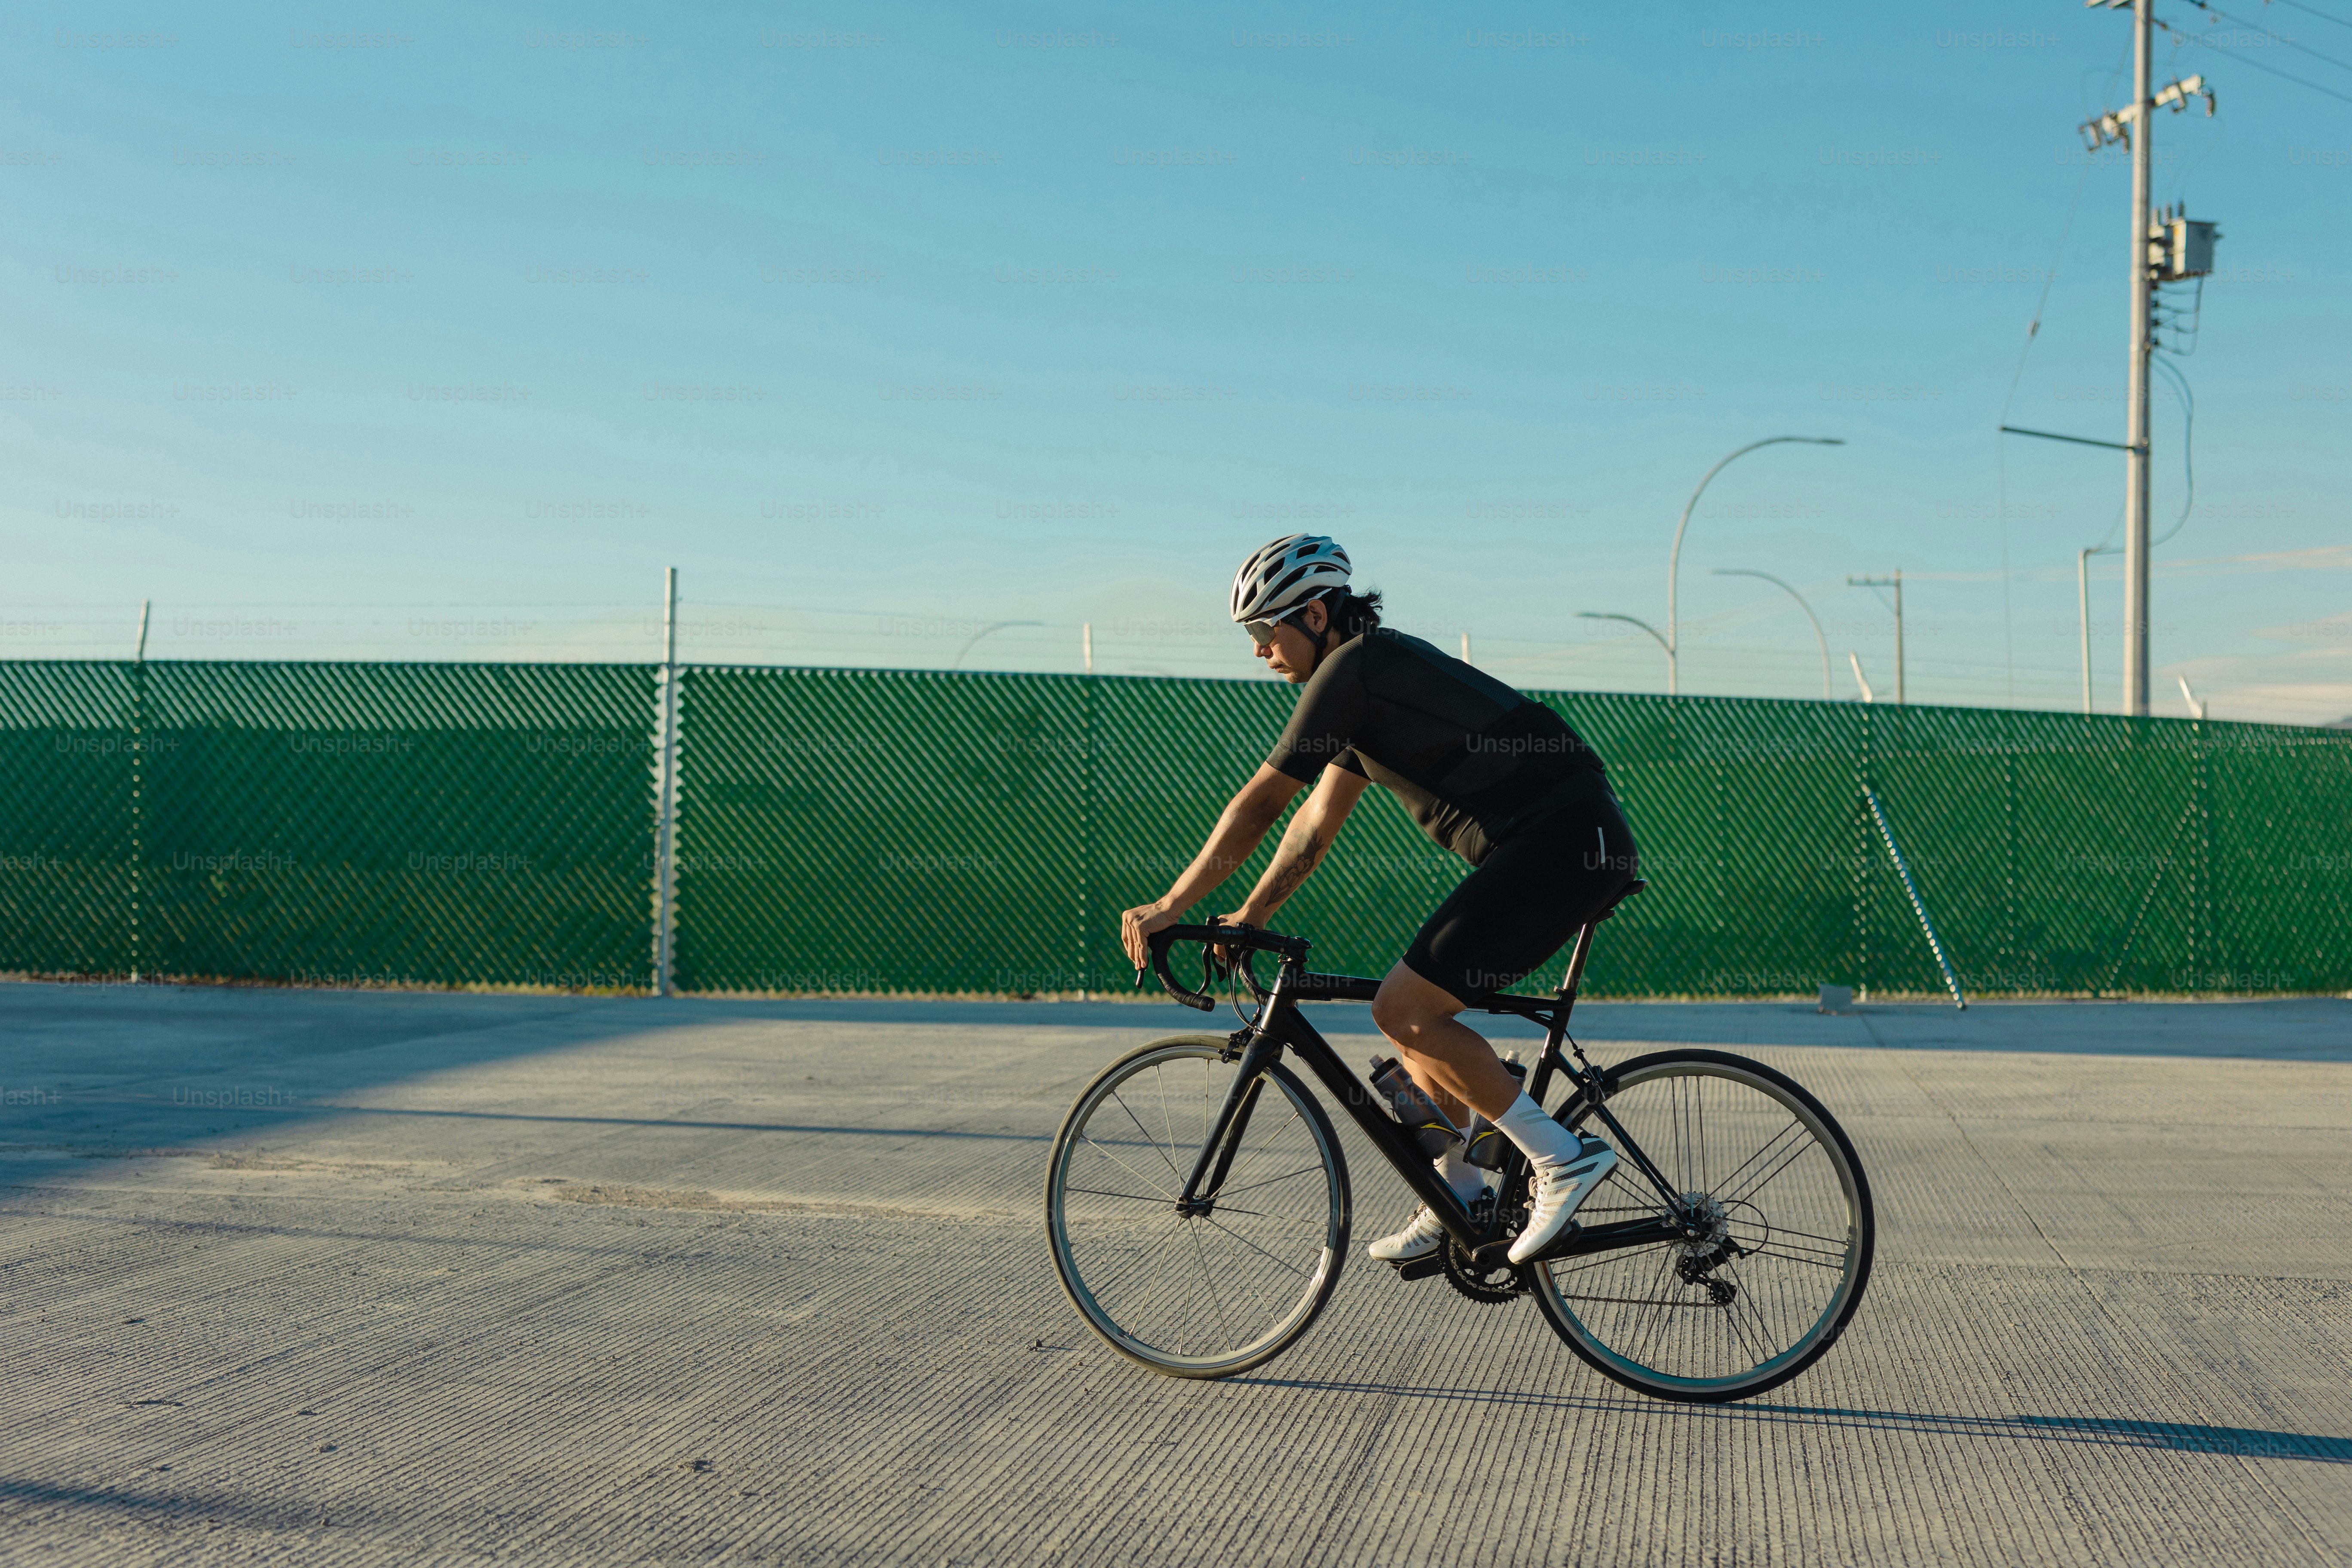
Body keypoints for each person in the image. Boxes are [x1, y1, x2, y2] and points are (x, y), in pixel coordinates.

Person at [1119, 534, 1640, 1266]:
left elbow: (1267, 800)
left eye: (1268, 631)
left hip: (1560, 844)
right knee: (1408, 1023)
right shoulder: (1367, 687)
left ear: (1319, 615)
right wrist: (1253, 914)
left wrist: (1172, 902)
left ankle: (1564, 1158)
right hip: (1557, 842)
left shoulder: (1355, 669)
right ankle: (1460, 1191)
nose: (1261, 651)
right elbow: (1309, 830)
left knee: (1405, 1007)